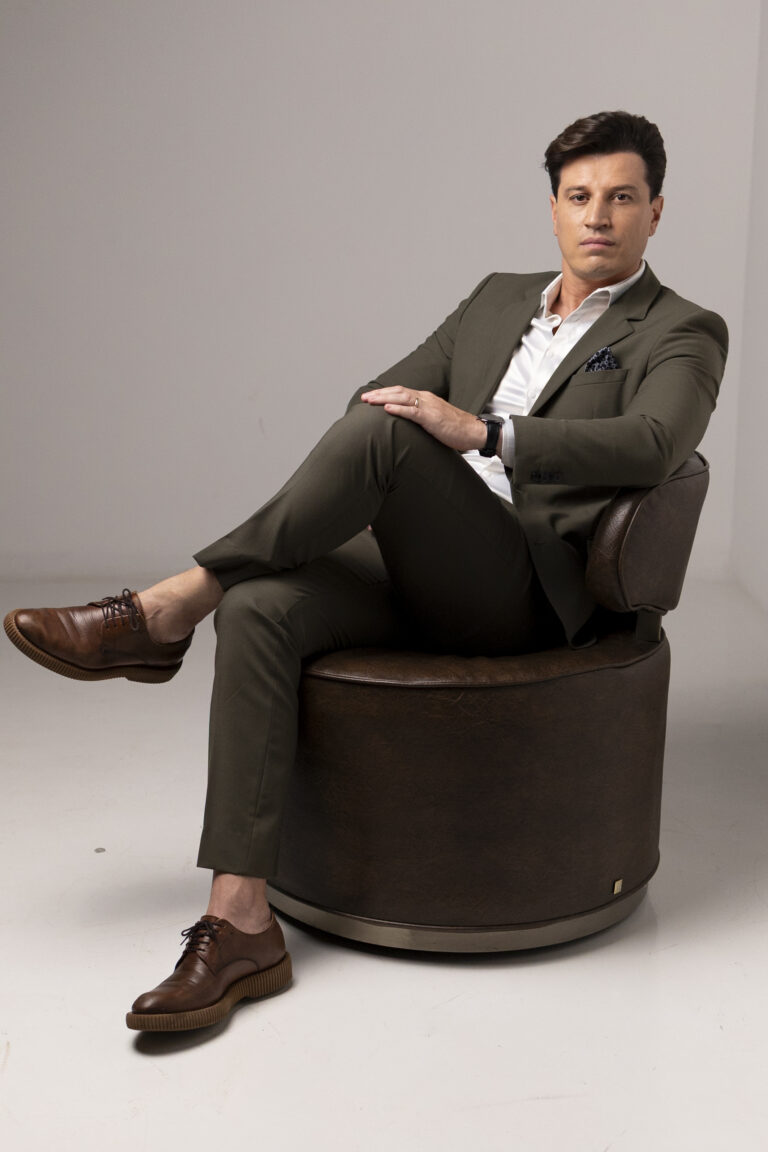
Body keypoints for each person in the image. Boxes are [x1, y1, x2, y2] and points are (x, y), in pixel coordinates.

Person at [3, 110, 728, 1033]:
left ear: (655, 212)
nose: (598, 216)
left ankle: (168, 607)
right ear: (552, 208)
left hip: (525, 586)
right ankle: (241, 921)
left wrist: (484, 432)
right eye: (579, 196)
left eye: (622, 197)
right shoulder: (496, 297)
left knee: (385, 439)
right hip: (417, 553)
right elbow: (375, 399)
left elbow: (654, 441)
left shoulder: (684, 329)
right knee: (262, 604)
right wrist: (411, 456)